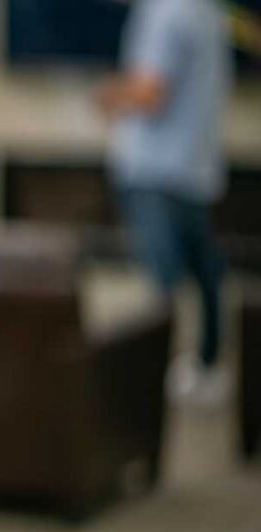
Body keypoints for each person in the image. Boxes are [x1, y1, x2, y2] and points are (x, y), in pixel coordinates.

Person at [98, 0, 232, 397]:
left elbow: (150, 92)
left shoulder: (164, 12)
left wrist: (108, 95)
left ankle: (154, 378)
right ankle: (206, 365)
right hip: (195, 165)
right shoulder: (207, 11)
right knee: (204, 272)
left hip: (155, 169)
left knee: (163, 282)